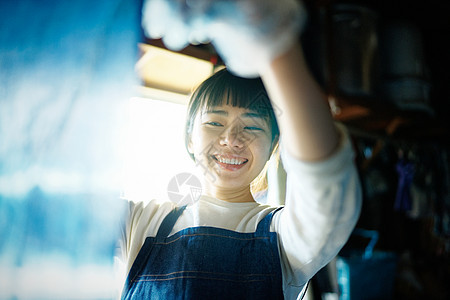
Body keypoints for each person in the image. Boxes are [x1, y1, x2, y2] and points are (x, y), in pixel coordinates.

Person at [117, 0, 362, 299]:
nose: (231, 139)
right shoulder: (139, 222)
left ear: (274, 146)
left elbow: (325, 182)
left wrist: (274, 45)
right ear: (190, 138)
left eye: (252, 126)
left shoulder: (285, 237)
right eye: (214, 123)